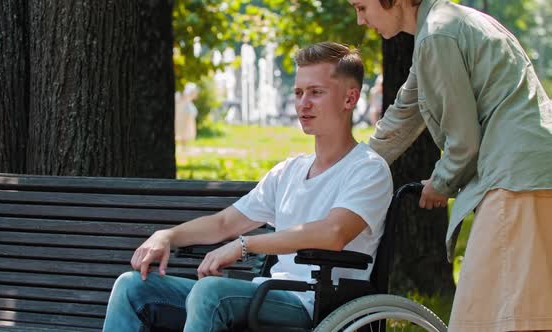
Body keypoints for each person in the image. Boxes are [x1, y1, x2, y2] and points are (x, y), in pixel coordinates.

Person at [102, 42, 393, 332]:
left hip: (317, 305)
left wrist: (245, 244)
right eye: (298, 92)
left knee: (210, 292)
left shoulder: (368, 169)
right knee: (133, 287)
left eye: (316, 92)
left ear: (349, 99)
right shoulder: (288, 171)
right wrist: (167, 235)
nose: (303, 103)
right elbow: (225, 222)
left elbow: (334, 233)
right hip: (266, 295)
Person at [348, 0, 552, 331]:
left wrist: (441, 182)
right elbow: (403, 114)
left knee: (489, 318)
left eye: (362, 7)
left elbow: (464, 139)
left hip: (515, 179)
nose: (360, 20)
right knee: (528, 311)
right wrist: (349, 171)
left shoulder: (437, 35)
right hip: (531, 171)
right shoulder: (444, 26)